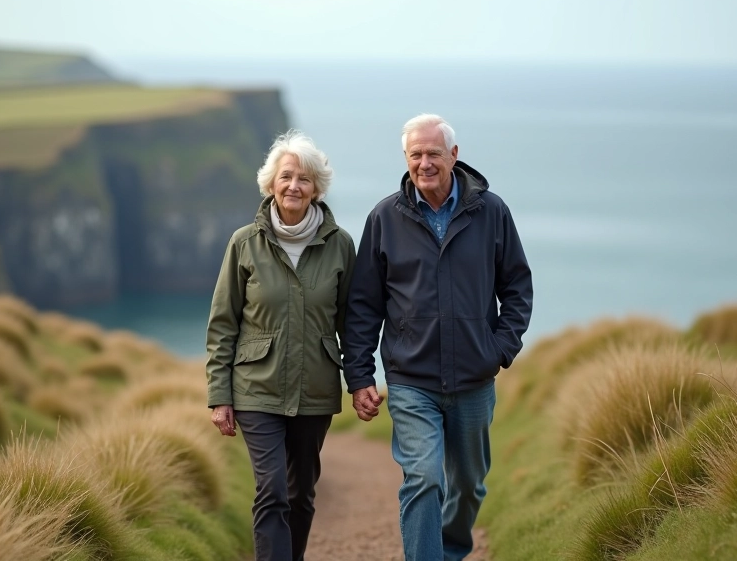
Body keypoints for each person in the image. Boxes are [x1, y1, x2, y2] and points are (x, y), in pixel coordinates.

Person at [343, 114, 533, 560]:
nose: (424, 163)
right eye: (415, 154)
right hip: (412, 378)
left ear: (454, 155)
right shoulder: (385, 217)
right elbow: (364, 304)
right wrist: (359, 375)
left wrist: (500, 349)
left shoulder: (492, 212)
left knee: (468, 486)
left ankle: (448, 552)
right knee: (425, 477)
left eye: (433, 153)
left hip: (473, 377)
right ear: (405, 159)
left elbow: (517, 287)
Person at [206, 129, 355, 561]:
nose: (294, 186)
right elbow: (222, 325)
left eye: (305, 179)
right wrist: (220, 396)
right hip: (256, 389)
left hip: (315, 390)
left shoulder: (341, 246)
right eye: (287, 176)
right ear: (271, 183)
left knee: (301, 495)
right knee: (271, 490)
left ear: (316, 189)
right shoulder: (243, 244)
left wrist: (360, 380)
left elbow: (354, 323)